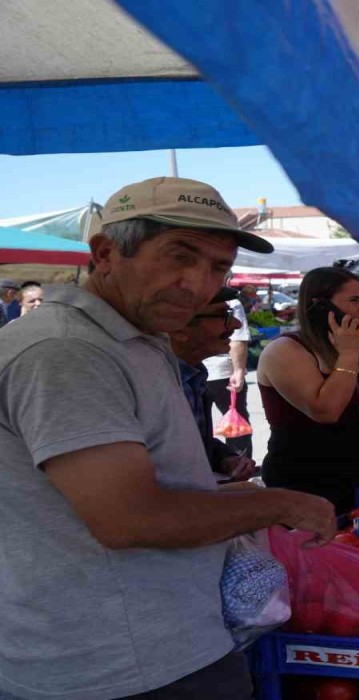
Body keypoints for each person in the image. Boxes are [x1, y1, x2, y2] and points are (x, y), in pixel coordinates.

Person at [0, 176, 335, 700]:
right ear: (105, 253)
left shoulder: (132, 338)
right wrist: (279, 504)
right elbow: (130, 518)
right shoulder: (66, 351)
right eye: (180, 256)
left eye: (218, 267)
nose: (198, 284)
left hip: (162, 640)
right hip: (114, 665)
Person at [257, 266, 359, 513]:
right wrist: (348, 355)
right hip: (307, 477)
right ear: (320, 305)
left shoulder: (352, 345)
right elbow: (326, 411)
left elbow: (353, 401)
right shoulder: (285, 350)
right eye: (354, 300)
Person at [172, 286, 258, 480]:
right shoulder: (153, 382)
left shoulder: (194, 374)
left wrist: (225, 458)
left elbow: (198, 443)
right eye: (223, 315)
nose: (236, 324)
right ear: (180, 327)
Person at [202, 281, 254, 459]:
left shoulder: (229, 300)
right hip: (221, 372)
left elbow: (238, 338)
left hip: (217, 372)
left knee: (228, 423)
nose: (235, 324)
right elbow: (238, 338)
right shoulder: (231, 301)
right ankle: (239, 463)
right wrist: (238, 370)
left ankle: (236, 464)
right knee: (235, 426)